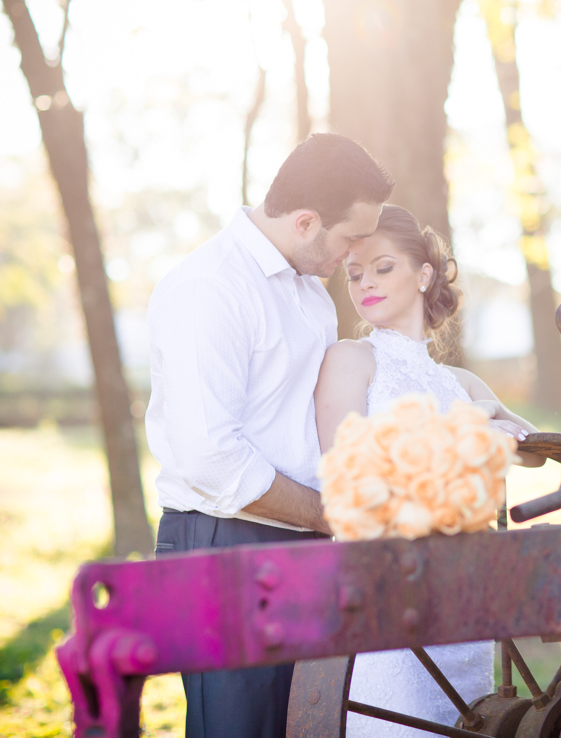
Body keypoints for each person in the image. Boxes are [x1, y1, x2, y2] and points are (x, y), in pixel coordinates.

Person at [147, 133, 394, 738]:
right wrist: (326, 513)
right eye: (348, 239)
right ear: (306, 221)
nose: (354, 255)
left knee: (306, 726)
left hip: (304, 537)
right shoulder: (209, 288)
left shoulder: (311, 294)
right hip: (223, 542)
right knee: (240, 728)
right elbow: (210, 457)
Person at [314, 204, 543, 737]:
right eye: (354, 274)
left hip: (463, 593)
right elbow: (343, 468)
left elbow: (532, 447)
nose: (365, 283)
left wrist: (489, 419)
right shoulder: (350, 360)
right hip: (386, 585)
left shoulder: (458, 381)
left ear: (423, 275)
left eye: (383, 267)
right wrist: (468, 433)